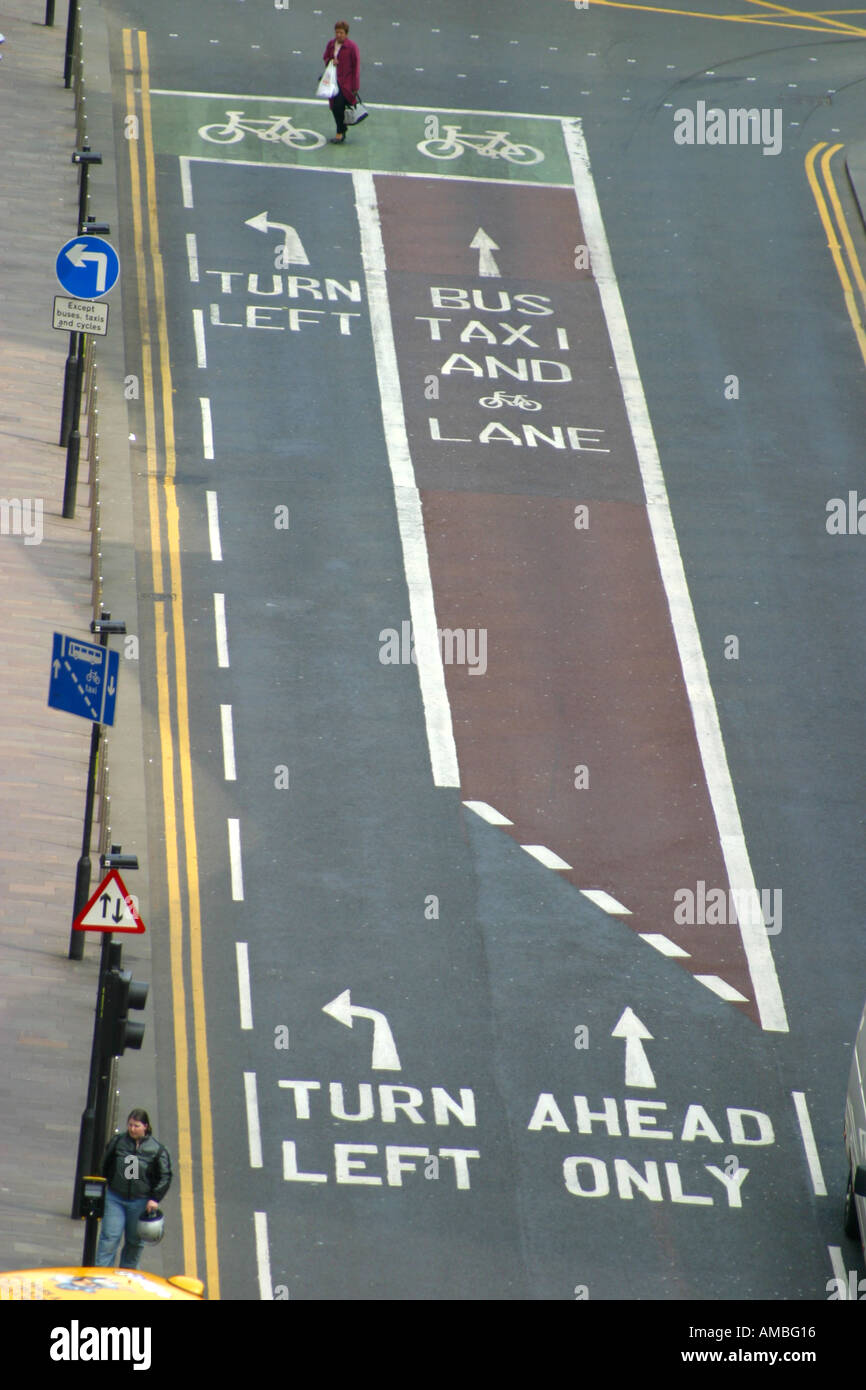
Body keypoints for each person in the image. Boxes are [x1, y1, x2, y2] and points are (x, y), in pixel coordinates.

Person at [94, 1109, 172, 1269]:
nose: (132, 1129)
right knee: (109, 1238)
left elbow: (165, 1176)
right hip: (115, 1198)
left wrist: (154, 1198)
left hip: (140, 1201)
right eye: (130, 1125)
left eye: (136, 1126)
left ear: (145, 1126)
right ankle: (101, 1277)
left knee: (134, 1243)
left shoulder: (157, 1150)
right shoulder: (118, 1142)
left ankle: (127, 1279)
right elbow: (105, 1164)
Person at [322, 20, 359, 144]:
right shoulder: (331, 44)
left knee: (338, 106)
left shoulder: (352, 47)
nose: (339, 35)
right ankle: (341, 129)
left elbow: (356, 67)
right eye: (337, 32)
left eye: (341, 33)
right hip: (333, 81)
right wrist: (331, 61)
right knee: (335, 107)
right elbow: (326, 57)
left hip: (345, 83)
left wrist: (355, 86)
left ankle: (340, 132)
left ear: (346, 34)